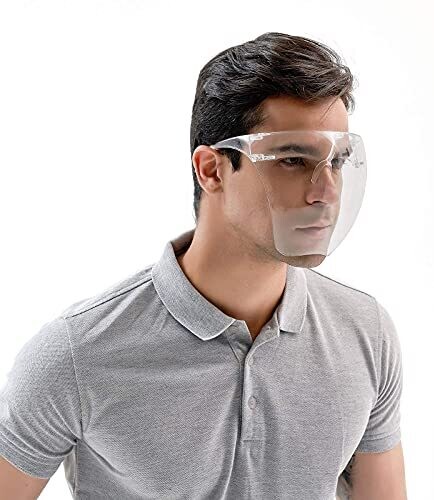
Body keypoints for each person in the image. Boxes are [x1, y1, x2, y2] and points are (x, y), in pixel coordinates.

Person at [0, 32, 407, 499]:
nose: (326, 192)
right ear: (211, 169)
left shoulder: (365, 333)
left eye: (337, 162)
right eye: (294, 160)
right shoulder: (77, 354)